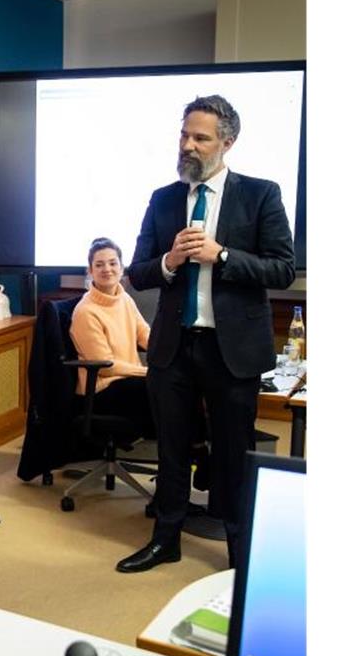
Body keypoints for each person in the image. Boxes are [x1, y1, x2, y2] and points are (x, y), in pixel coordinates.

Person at [119, 95, 295, 573]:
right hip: (174, 346)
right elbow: (138, 272)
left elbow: (282, 269)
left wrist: (221, 255)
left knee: (232, 454)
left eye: (200, 137)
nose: (189, 145)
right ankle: (166, 538)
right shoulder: (164, 199)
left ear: (227, 142)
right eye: (184, 135)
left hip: (231, 349)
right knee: (172, 448)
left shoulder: (260, 194)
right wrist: (170, 261)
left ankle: (240, 551)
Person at [69, 237, 154, 439]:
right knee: (164, 389)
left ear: (122, 268)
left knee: (180, 380)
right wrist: (149, 372)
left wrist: (173, 358)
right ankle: (186, 451)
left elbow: (146, 336)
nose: (107, 269)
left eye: (113, 263)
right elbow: (107, 368)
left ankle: (192, 449)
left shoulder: (124, 298)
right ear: (90, 271)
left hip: (127, 381)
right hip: (102, 390)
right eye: (99, 265)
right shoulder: (86, 311)